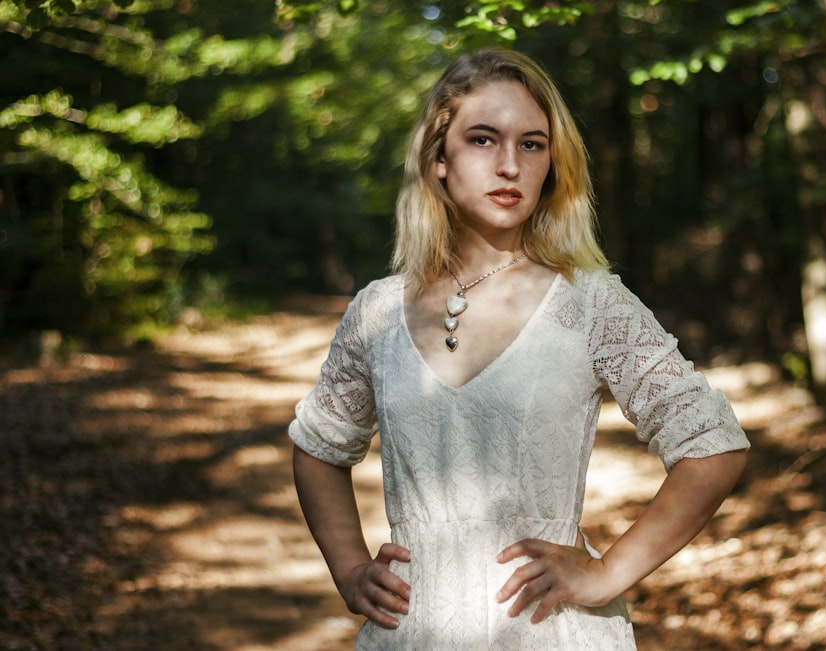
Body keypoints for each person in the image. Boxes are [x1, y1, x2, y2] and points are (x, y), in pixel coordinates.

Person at [289, 47, 750, 649]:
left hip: (547, 630)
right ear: (438, 162)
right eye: (483, 140)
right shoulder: (377, 311)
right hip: (414, 630)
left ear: (551, 165)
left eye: (532, 144)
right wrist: (350, 569)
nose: (510, 164)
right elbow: (318, 446)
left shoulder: (590, 303)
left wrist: (609, 571)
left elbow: (712, 445)